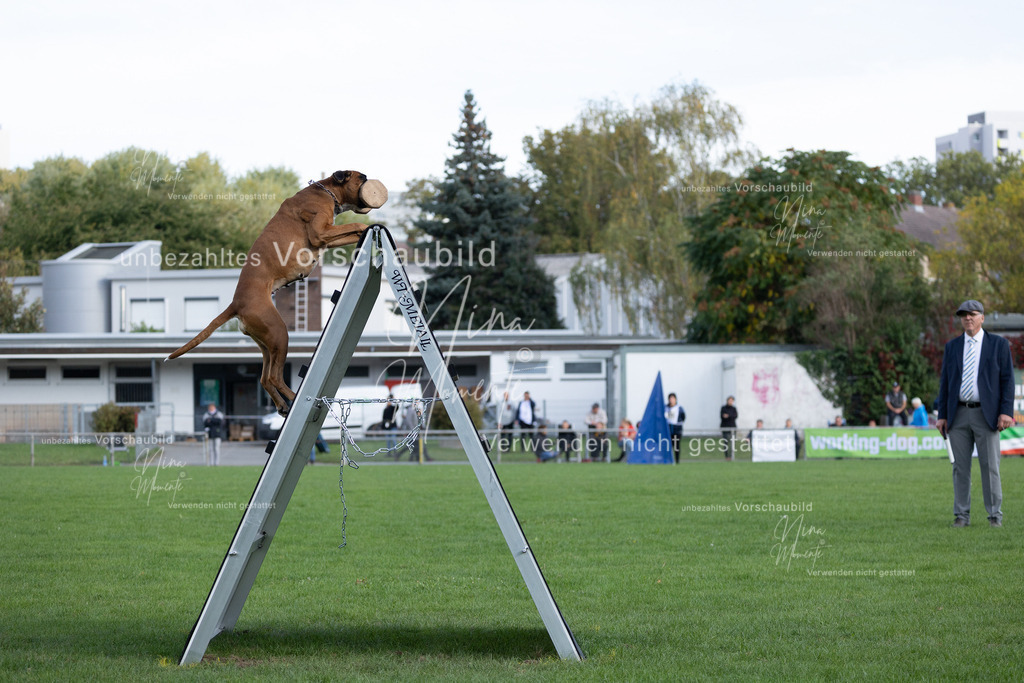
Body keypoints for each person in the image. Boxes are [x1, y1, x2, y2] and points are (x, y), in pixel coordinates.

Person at [936, 300, 1015, 528]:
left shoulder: (998, 345)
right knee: (960, 467)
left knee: (990, 467)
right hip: (958, 414)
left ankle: (994, 516)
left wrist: (1005, 412)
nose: (967, 318)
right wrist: (942, 415)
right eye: (963, 315)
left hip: (987, 414)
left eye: (972, 314)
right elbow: (945, 383)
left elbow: (1007, 381)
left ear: (982, 317)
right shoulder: (952, 347)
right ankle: (962, 515)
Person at [665, 393, 686, 464]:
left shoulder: (679, 408)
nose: (671, 400)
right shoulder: (666, 408)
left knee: (676, 446)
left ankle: (677, 461)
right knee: (668, 446)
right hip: (668, 429)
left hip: (677, 430)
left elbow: (683, 417)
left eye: (673, 398)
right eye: (670, 398)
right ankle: (668, 460)